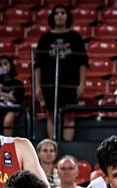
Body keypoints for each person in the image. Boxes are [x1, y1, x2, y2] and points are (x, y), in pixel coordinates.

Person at [35, 4, 88, 141]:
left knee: (69, 115)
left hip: (70, 83)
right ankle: (52, 146)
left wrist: (81, 84)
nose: (59, 15)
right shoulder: (45, 38)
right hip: (49, 83)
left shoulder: (75, 37)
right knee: (50, 115)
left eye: (62, 12)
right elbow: (38, 64)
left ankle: (67, 145)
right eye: (56, 12)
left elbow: (82, 63)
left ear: (67, 16)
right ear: (52, 17)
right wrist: (37, 85)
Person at [0, 55, 26, 136]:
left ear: (10, 65)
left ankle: (6, 142)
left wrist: (1, 93)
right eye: (0, 65)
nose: (3, 67)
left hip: (13, 108)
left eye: (5, 64)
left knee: (9, 117)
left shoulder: (18, 83)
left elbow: (17, 99)